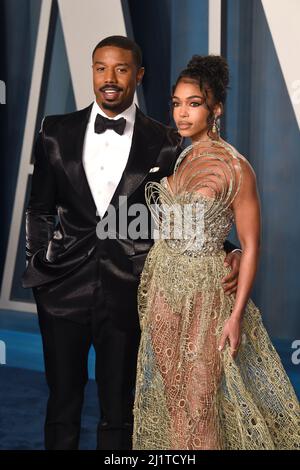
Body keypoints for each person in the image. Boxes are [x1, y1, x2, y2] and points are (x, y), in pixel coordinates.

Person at [22, 37, 241, 450]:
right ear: (92, 72)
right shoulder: (55, 130)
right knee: (62, 405)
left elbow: (185, 214)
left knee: (120, 412)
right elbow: (39, 209)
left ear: (138, 76)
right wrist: (39, 267)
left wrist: (230, 249)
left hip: (129, 291)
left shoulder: (167, 142)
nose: (109, 78)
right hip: (60, 291)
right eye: (100, 68)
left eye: (121, 69)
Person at [133, 55, 300, 450]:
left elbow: (253, 242)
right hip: (162, 285)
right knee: (173, 400)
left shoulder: (237, 167)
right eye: (176, 102)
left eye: (194, 103)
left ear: (216, 108)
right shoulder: (177, 154)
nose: (182, 113)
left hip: (207, 294)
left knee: (201, 401)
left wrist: (237, 314)